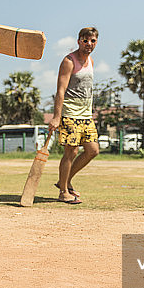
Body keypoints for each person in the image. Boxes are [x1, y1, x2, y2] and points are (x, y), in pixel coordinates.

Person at [48, 27, 101, 204]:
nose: (89, 44)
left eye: (92, 41)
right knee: (71, 152)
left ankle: (64, 181)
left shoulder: (91, 61)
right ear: (78, 41)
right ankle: (63, 191)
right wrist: (56, 117)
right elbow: (60, 90)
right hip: (70, 114)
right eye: (85, 40)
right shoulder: (69, 61)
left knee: (93, 151)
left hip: (86, 116)